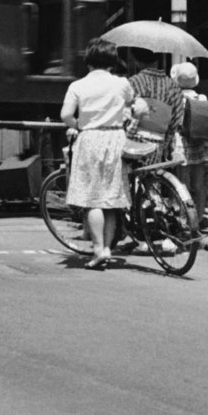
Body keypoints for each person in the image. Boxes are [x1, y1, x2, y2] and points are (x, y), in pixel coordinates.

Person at [60, 38, 143, 269]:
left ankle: (97, 249)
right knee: (111, 196)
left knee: (92, 198)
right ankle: (107, 247)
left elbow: (66, 114)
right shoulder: (121, 83)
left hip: (90, 138)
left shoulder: (77, 86)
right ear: (112, 62)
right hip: (116, 138)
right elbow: (133, 105)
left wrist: (77, 125)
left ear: (88, 62)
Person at [169, 62, 208, 223]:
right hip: (200, 142)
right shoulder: (201, 98)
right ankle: (199, 216)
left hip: (182, 143)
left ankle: (184, 218)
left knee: (182, 183)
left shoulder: (174, 98)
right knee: (199, 183)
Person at [126, 48, 185, 160]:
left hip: (132, 144)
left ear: (136, 59)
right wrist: (164, 144)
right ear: (159, 58)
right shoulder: (173, 87)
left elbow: (125, 115)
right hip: (159, 145)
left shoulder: (132, 82)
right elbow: (176, 121)